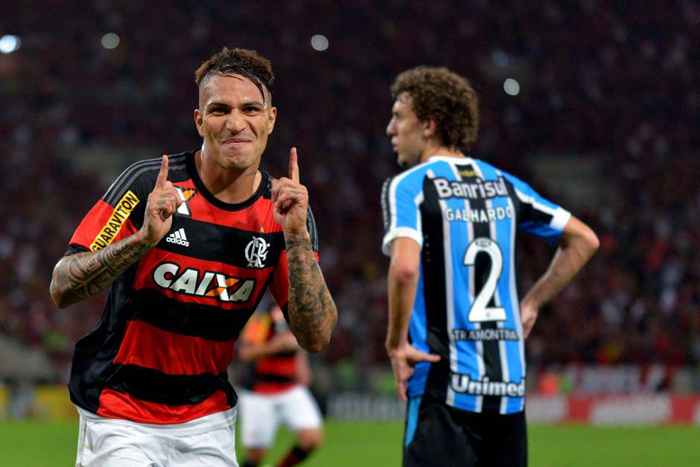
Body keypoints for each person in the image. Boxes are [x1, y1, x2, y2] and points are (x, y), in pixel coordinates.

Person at [49, 47, 337, 467]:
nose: (236, 123)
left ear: (270, 120)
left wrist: (294, 239)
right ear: (199, 120)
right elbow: (63, 285)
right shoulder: (150, 184)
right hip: (120, 409)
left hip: (207, 419)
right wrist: (142, 240)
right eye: (220, 109)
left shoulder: (286, 212)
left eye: (251, 109)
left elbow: (316, 337)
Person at [381, 66, 599, 467]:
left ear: (428, 125)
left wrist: (396, 344)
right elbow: (584, 239)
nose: (391, 129)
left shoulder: (410, 185)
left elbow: (405, 269)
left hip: (442, 385)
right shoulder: (506, 184)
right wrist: (530, 304)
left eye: (399, 117)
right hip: (508, 391)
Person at [236, 302, 323, 467]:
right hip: (259, 392)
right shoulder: (262, 319)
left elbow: (299, 346)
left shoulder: (298, 318)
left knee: (311, 439)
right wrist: (275, 347)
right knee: (255, 456)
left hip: (290, 388)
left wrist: (302, 366)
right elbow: (246, 353)